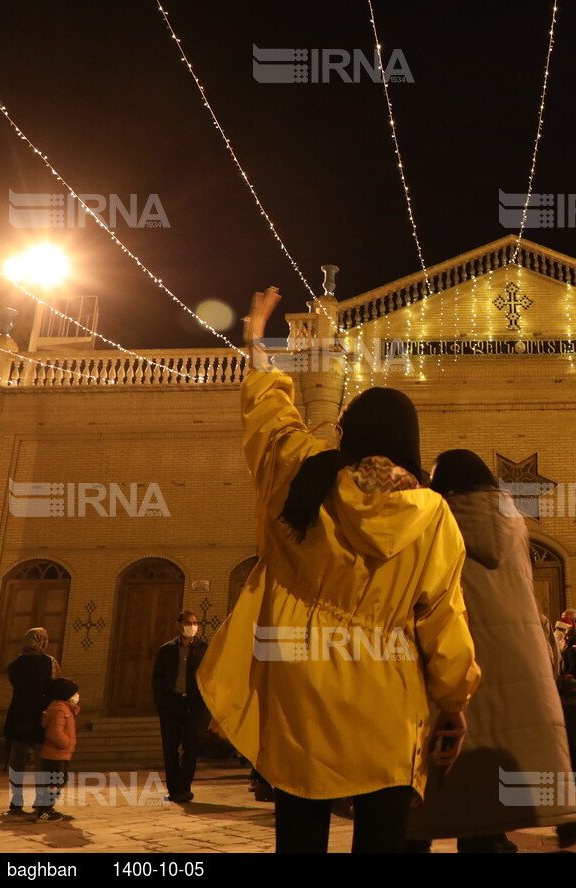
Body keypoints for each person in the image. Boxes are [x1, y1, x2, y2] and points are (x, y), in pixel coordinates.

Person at [198, 287, 481, 854]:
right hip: (388, 700)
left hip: (299, 692)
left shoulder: (302, 476)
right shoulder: (433, 516)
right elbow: (442, 622)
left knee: (299, 832)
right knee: (383, 836)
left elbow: (271, 419)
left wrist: (257, 341)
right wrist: (455, 701)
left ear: (348, 435)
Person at [405, 449, 576, 852]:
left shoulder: (432, 524)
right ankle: (554, 818)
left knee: (430, 800)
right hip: (520, 665)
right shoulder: (513, 522)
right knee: (494, 789)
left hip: (461, 660)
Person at [152, 610, 211, 803]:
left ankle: (184, 788)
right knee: (170, 749)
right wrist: (162, 704)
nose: (192, 626)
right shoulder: (167, 650)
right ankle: (173, 789)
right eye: (188, 623)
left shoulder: (204, 649)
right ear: (179, 625)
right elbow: (157, 680)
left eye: (195, 623)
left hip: (195, 707)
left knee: (191, 748)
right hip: (172, 705)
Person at [4, 627, 61, 816]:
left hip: (18, 714)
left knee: (17, 759)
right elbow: (56, 686)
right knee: (41, 760)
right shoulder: (49, 662)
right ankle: (42, 802)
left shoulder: (15, 664)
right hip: (40, 715)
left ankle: (16, 801)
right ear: (42, 641)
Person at [35, 677, 80, 822]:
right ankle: (44, 812)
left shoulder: (65, 708)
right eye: (74, 693)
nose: (77, 695)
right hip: (55, 754)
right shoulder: (59, 709)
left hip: (61, 754)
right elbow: (55, 732)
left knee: (58, 781)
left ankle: (47, 808)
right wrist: (65, 743)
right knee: (54, 783)